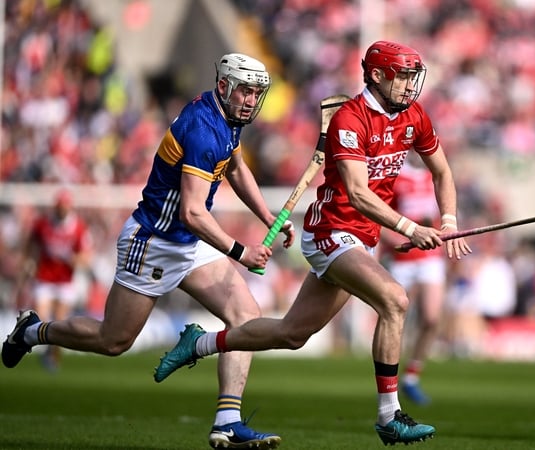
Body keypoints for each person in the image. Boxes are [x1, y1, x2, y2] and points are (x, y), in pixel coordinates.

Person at [153, 40, 472, 445]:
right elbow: (357, 193)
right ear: (376, 76)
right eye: (402, 77)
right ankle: (390, 416)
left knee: (292, 334)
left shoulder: (414, 116)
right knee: (395, 298)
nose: (411, 87)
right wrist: (410, 229)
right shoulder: (350, 121)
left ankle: (198, 344)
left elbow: (441, 172)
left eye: (413, 77)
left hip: (365, 238)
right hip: (331, 233)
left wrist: (447, 220)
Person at [2, 53, 293, 449]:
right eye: (245, 90)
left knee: (244, 314)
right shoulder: (203, 129)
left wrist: (267, 216)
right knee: (113, 341)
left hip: (189, 245)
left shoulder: (227, 118)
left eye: (257, 93)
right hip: (154, 242)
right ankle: (33, 331)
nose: (250, 100)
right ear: (224, 86)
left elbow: (237, 167)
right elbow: (192, 212)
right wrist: (241, 252)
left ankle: (227, 420)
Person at [381, 151, 449, 406]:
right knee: (396, 319)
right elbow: (380, 216)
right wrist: (394, 241)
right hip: (403, 260)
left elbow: (444, 215)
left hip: (431, 256)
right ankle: (389, 380)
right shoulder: (397, 176)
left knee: (431, 318)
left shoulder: (438, 173)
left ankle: (411, 376)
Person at [14, 188, 92, 372]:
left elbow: (86, 257)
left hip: (65, 281)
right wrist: (28, 262)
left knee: (59, 320)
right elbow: (31, 243)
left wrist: (72, 259)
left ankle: (53, 357)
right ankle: (44, 350)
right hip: (45, 278)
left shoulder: (77, 227)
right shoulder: (43, 224)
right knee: (41, 317)